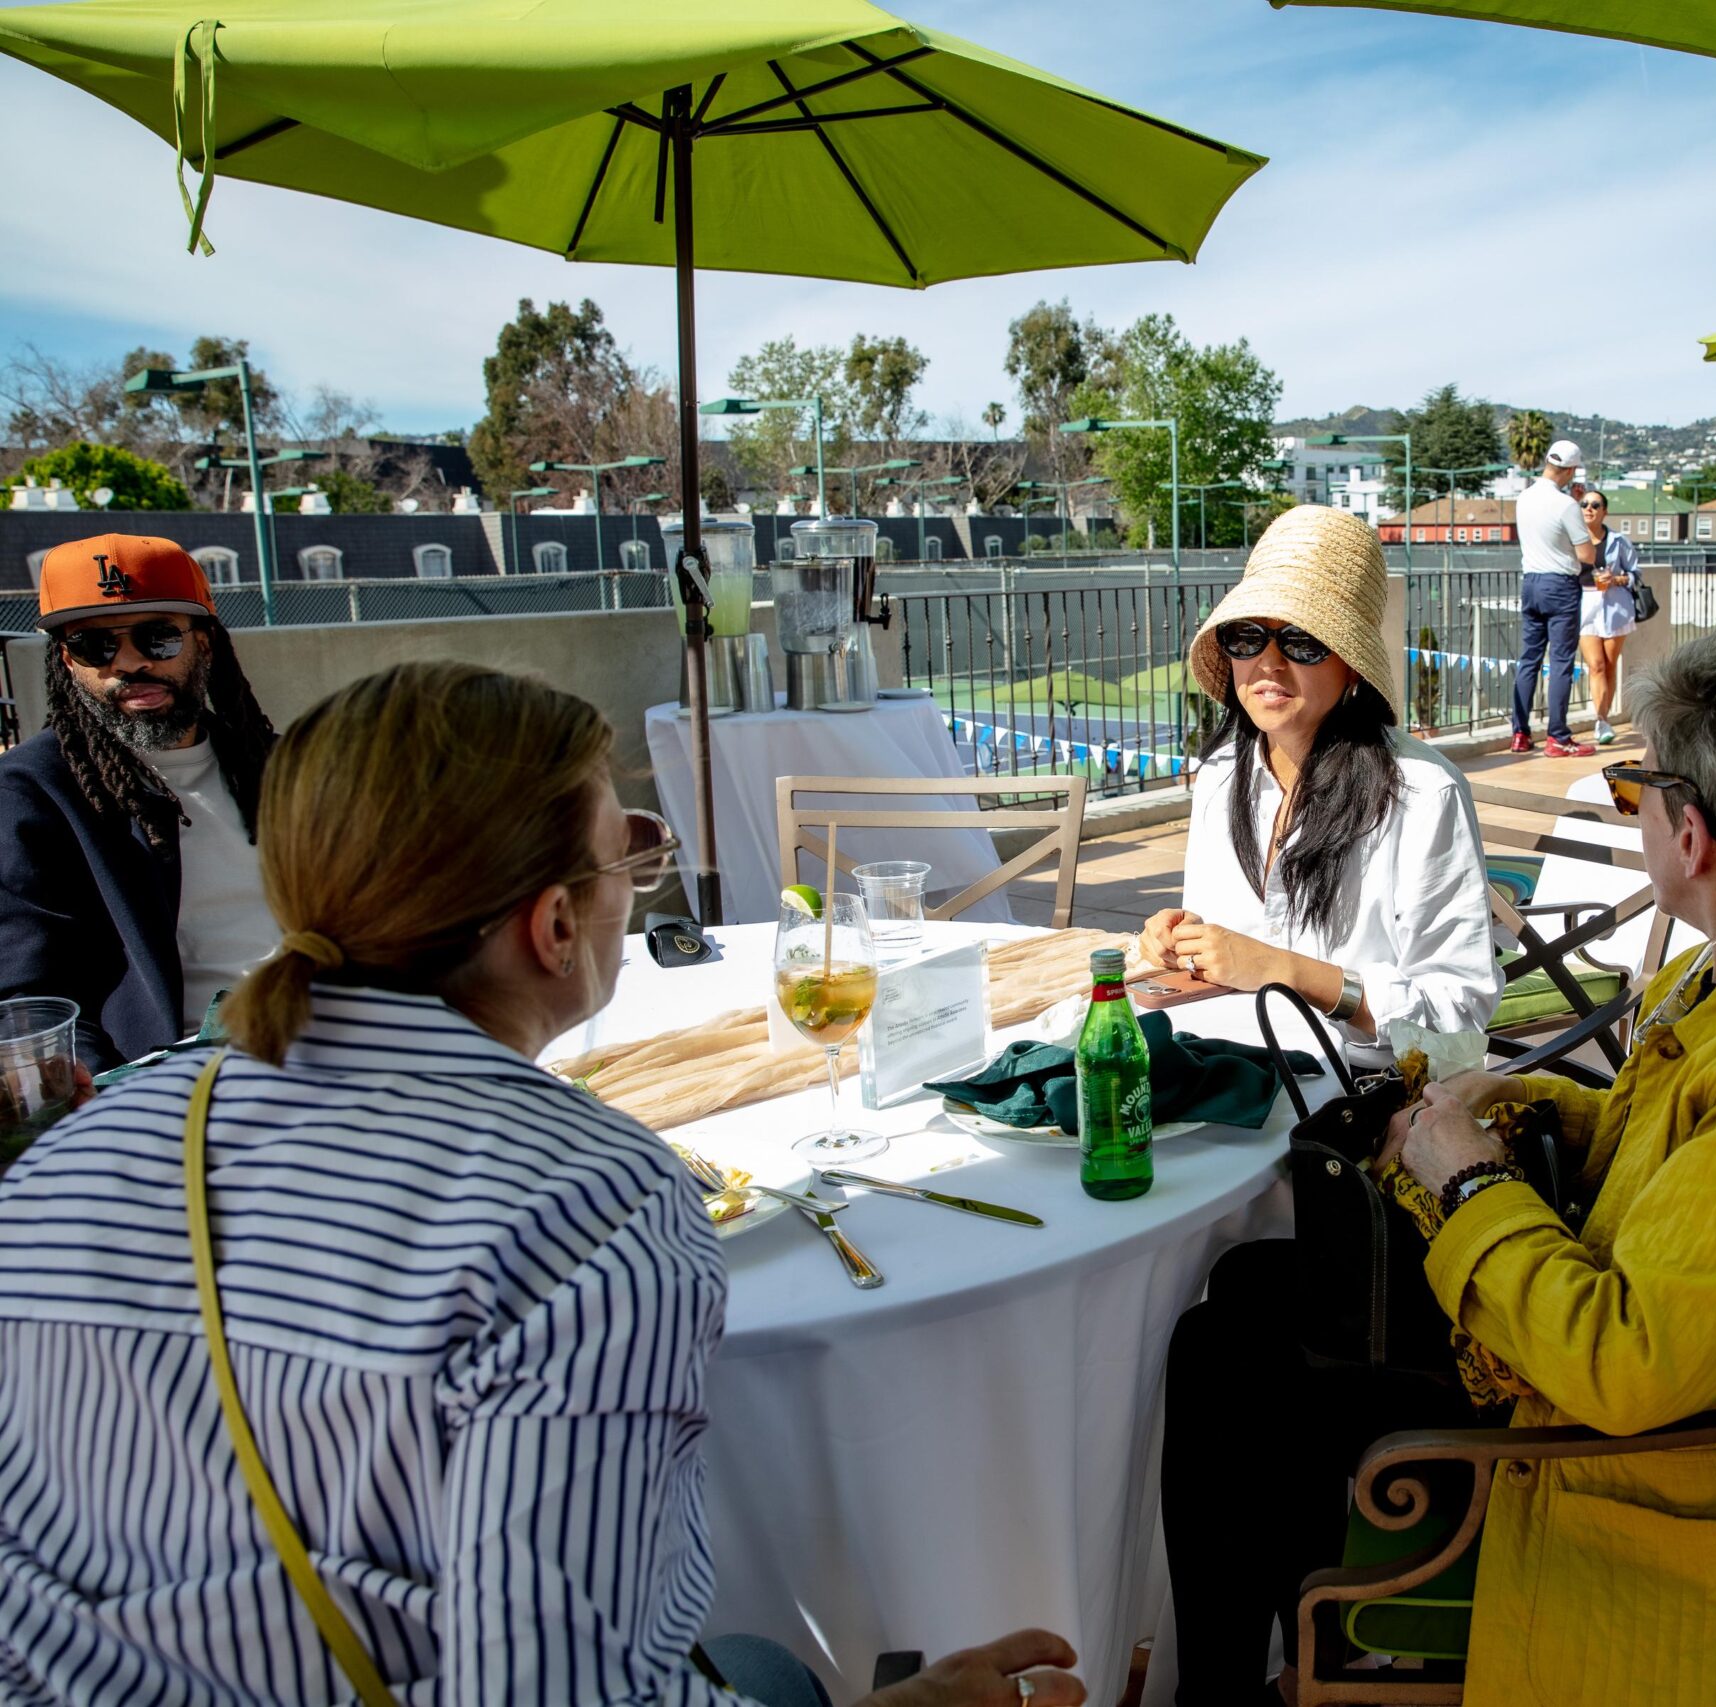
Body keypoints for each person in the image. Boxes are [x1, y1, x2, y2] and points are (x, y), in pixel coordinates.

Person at [0, 661, 1086, 1707]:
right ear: (555, 927)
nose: (636, 885)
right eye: (629, 859)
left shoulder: (75, 1151)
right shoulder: (586, 1210)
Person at [1161, 633, 1716, 1707]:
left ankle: (1273, 1665)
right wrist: (1531, 1101)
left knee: (1237, 1366)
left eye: (1631, 786)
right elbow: (1703, 1143)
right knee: (1244, 1310)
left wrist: (1470, 1182)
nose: (1631, 810)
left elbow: (1623, 1365)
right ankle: (1261, 1667)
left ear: (1689, 835)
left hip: (1707, 1464)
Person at [1141, 504, 1501, 1063]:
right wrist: (1180, 944)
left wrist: (1289, 973)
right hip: (1230, 1068)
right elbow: (1222, 955)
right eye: (1246, 637)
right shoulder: (1219, 777)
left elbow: (1459, 1014)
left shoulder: (1423, 794)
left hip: (1365, 1096)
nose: (1269, 664)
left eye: (1303, 641)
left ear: (1353, 666)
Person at [0, 533, 281, 1069]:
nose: (129, 663)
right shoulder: (29, 794)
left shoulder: (283, 765)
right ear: (67, 661)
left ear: (204, 642)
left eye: (157, 638)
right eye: (93, 645)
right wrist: (85, 1084)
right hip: (175, 1079)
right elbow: (26, 995)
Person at [1509, 439, 1599, 757]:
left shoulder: (1525, 498)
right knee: (1561, 662)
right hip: (1560, 585)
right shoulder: (1566, 506)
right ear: (1571, 470)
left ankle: (1519, 733)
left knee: (1528, 660)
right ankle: (1558, 737)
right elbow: (1586, 554)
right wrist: (1576, 510)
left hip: (1530, 582)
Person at [1576, 489, 1642, 745]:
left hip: (1615, 606)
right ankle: (1600, 719)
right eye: (1584, 504)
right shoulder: (1574, 541)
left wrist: (1615, 579)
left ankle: (1603, 719)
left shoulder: (1618, 540)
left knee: (1610, 664)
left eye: (1595, 504)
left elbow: (1636, 574)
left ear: (1605, 511)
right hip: (1585, 605)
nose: (1589, 508)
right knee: (1596, 665)